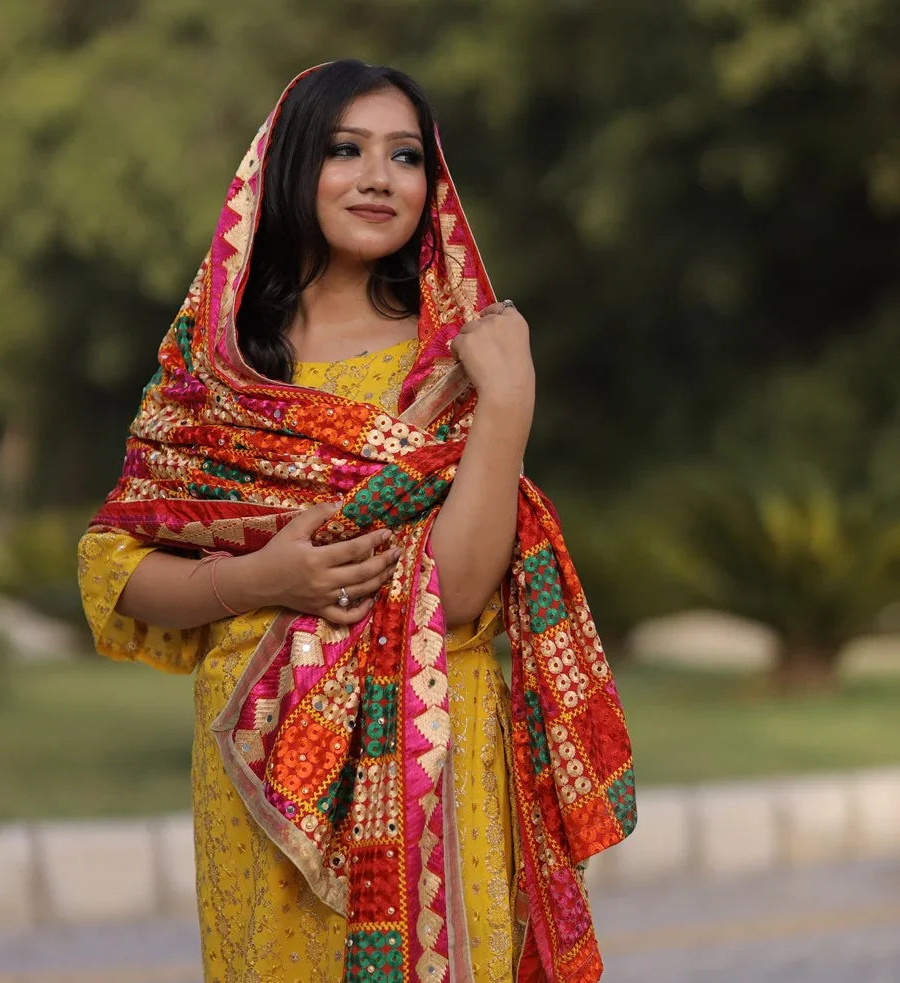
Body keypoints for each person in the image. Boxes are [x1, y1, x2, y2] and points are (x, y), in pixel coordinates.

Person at [79, 60, 635, 983]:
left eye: (405, 156)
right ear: (288, 166)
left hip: (431, 750)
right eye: (346, 149)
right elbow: (117, 570)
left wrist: (507, 405)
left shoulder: (455, 365)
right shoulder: (210, 367)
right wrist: (266, 578)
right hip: (257, 764)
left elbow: (455, 593)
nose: (379, 177)